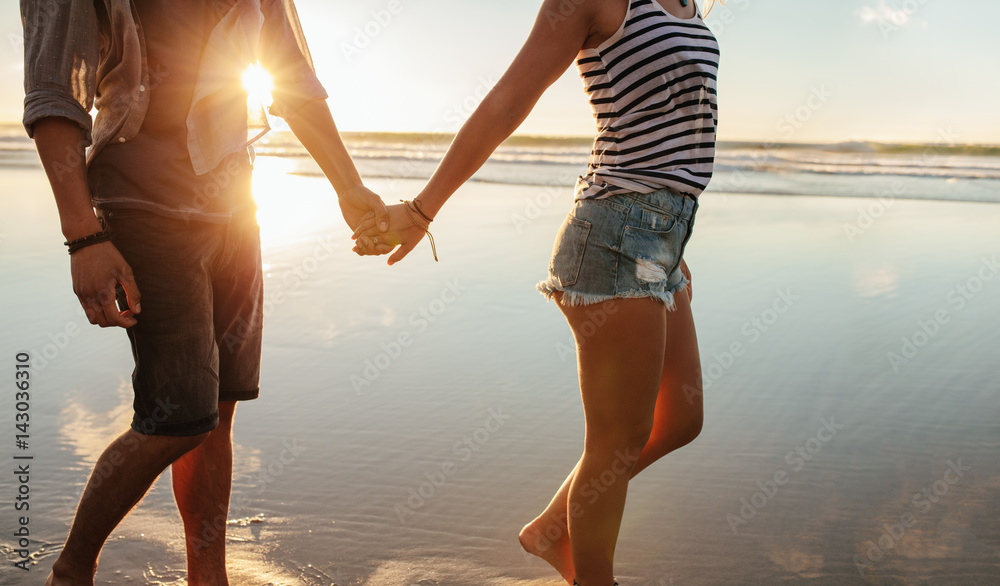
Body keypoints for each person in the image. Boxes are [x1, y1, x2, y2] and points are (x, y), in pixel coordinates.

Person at [354, 0, 721, 583]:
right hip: (615, 234)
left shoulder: (686, 2)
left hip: (663, 239)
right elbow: (509, 100)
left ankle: (552, 527)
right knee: (617, 439)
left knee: (681, 417)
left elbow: (671, 136)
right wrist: (424, 208)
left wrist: (675, 251)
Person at [21, 1, 387, 584]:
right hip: (143, 203)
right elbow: (54, 91)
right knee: (179, 415)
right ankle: (71, 570)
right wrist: (81, 235)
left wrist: (349, 187)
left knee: (217, 412)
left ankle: (206, 576)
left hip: (236, 206)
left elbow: (290, 76)